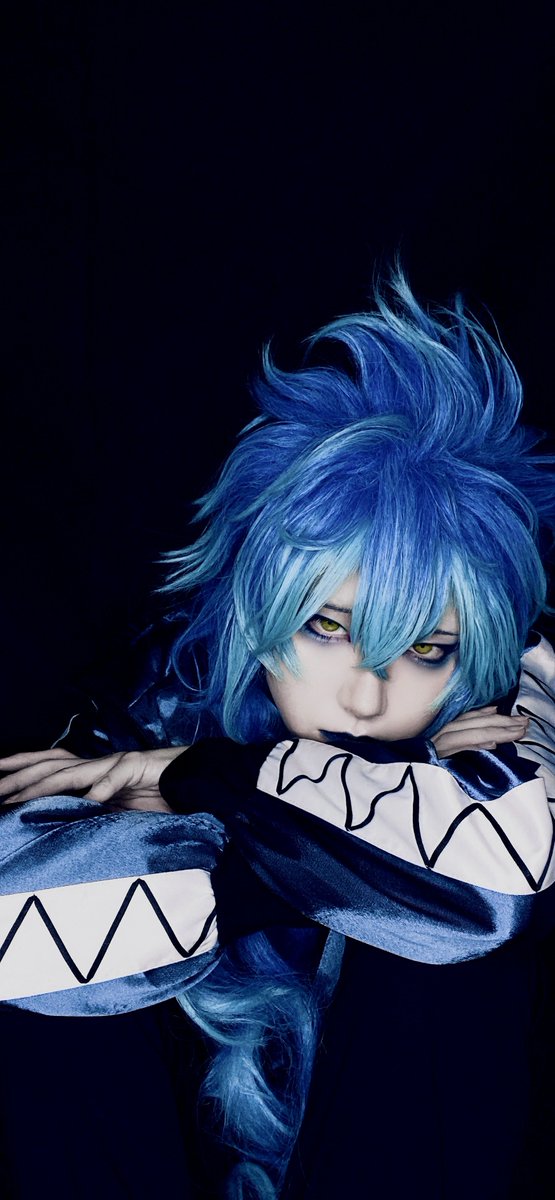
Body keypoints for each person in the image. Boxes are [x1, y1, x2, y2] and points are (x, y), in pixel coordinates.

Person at [1, 272, 555, 1199]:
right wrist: (289, 854)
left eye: (427, 648)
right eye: (326, 629)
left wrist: (209, 790)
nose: (366, 698)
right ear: (263, 613)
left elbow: (491, 880)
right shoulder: (159, 699)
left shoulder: (521, 695)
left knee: (446, 956)